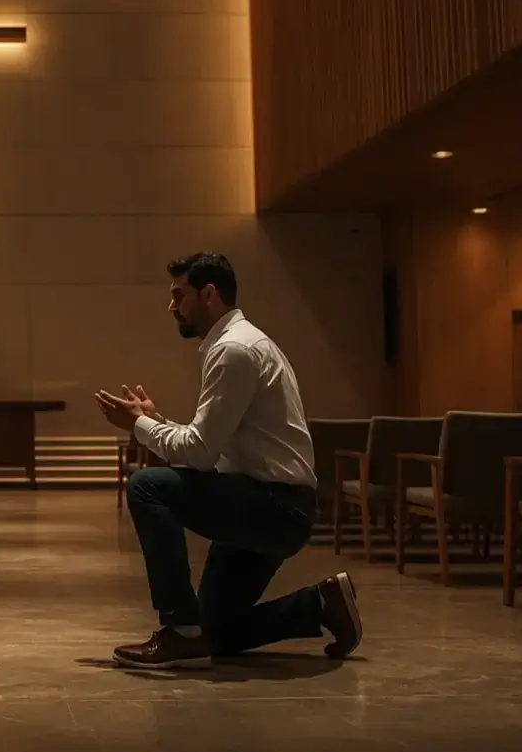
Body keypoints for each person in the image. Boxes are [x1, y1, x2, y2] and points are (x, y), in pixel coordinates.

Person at [94, 251, 362, 669]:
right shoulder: (238, 343)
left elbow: (200, 454)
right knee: (213, 631)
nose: (171, 307)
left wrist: (138, 426)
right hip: (273, 502)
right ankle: (320, 605)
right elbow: (211, 444)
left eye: (178, 296)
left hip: (273, 506)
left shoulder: (234, 350)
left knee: (147, 486)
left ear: (209, 294)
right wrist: (154, 421)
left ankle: (177, 630)